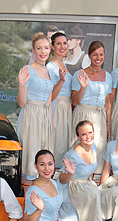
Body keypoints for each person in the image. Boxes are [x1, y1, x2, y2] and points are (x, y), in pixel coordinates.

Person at [17, 32, 55, 183]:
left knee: (44, 160)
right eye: (39, 48)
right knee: (30, 158)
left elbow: (50, 101)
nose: (43, 52)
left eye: (46, 48)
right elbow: (21, 103)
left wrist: (51, 125)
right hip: (31, 118)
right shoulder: (27, 69)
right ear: (33, 50)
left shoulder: (50, 71)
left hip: (44, 119)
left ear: (50, 49)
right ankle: (27, 200)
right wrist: (21, 85)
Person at [71, 40, 112, 173]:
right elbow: (74, 101)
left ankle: (94, 185)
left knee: (98, 150)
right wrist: (83, 87)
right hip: (83, 114)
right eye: (95, 54)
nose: (98, 58)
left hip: (100, 118)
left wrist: (108, 124)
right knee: (81, 150)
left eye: (101, 55)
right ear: (89, 56)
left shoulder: (108, 77)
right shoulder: (79, 74)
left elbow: (108, 103)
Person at [58, 120, 102, 221]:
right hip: (72, 185)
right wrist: (71, 173)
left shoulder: (94, 147)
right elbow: (62, 179)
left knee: (96, 193)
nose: (88, 137)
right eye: (84, 134)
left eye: (90, 132)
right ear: (78, 136)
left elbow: (90, 170)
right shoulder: (72, 155)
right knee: (91, 195)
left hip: (85, 183)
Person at [47, 32, 73, 163]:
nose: (62, 46)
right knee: (58, 143)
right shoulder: (51, 67)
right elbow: (50, 96)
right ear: (52, 46)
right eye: (58, 43)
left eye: (64, 43)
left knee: (65, 142)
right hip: (57, 108)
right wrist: (61, 81)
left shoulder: (63, 64)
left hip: (66, 107)